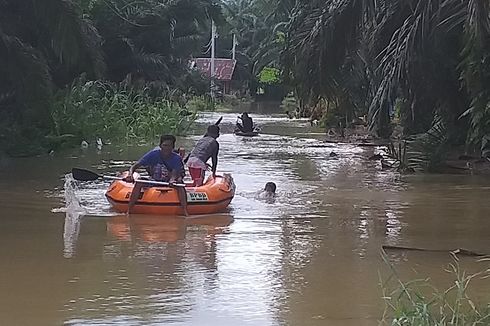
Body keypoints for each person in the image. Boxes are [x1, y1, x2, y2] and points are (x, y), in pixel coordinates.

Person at [123, 135, 188, 215]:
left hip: (169, 181)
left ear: (173, 147)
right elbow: (135, 166)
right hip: (155, 180)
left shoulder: (176, 158)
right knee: (139, 182)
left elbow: (175, 173)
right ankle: (129, 210)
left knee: (180, 183)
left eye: (170, 146)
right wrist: (130, 175)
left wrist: (172, 180)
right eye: (165, 145)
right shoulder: (153, 154)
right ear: (160, 146)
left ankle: (184, 211)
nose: (167, 148)